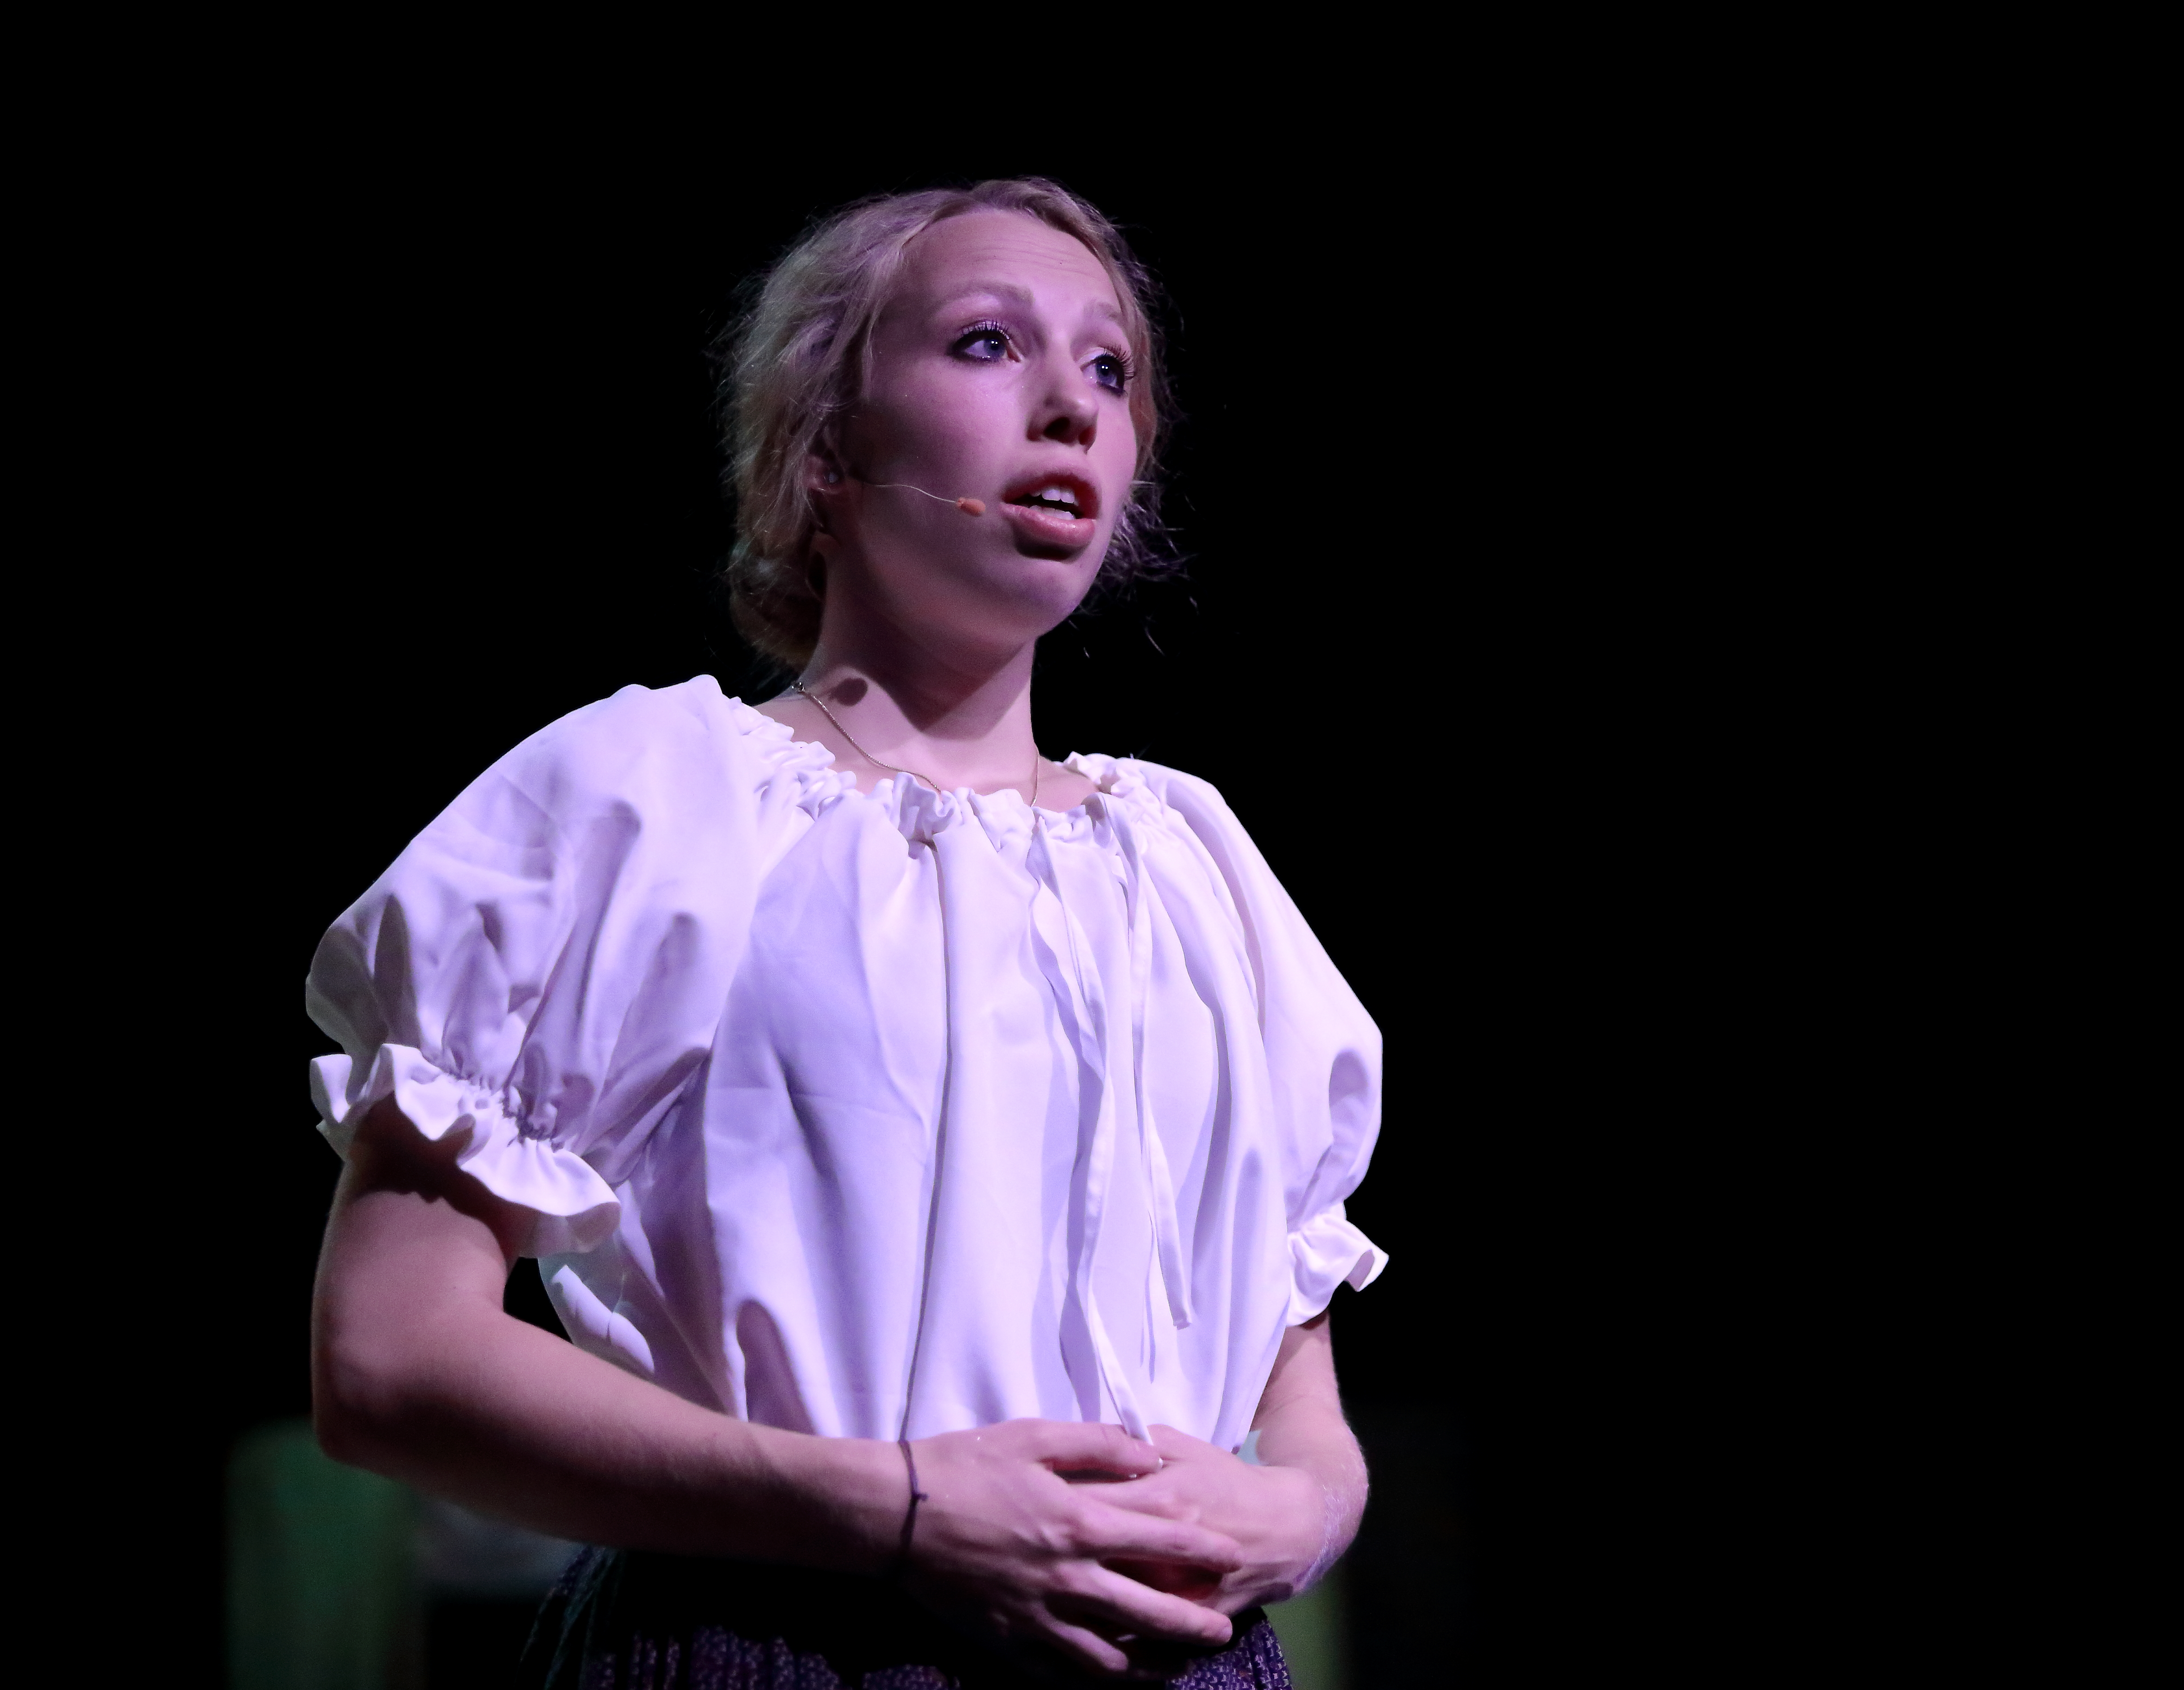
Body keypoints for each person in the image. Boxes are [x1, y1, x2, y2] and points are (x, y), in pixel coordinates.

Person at [305, 178, 1386, 1686]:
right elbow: (390, 1360)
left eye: (1110, 368)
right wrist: (900, 1511)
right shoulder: (657, 801)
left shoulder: (1195, 863)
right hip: (781, 1641)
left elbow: (1297, 1398)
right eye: (988, 343)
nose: (1072, 406)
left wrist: (1307, 1513)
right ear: (826, 449)